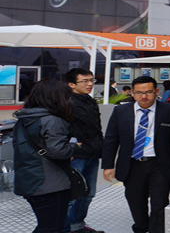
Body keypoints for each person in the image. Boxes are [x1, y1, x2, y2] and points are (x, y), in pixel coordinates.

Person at [102, 75, 170, 233]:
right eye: (139, 92)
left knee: (159, 204)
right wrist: (108, 165)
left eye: (149, 92)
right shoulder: (121, 111)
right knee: (136, 202)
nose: (144, 96)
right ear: (132, 93)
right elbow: (111, 138)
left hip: (160, 164)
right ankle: (141, 228)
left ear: (157, 91)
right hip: (132, 164)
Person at [13, 80, 83, 233]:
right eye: (66, 97)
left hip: (28, 180)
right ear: (56, 98)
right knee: (52, 228)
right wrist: (74, 146)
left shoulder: (23, 119)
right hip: (50, 183)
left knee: (48, 225)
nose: (69, 101)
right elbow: (58, 151)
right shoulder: (52, 121)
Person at [64, 68, 105, 233]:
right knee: (74, 195)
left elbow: (97, 128)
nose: (90, 84)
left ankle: (78, 225)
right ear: (71, 84)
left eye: (91, 80)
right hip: (76, 156)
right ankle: (67, 228)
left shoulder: (90, 101)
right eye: (85, 81)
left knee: (88, 193)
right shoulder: (66, 103)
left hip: (92, 154)